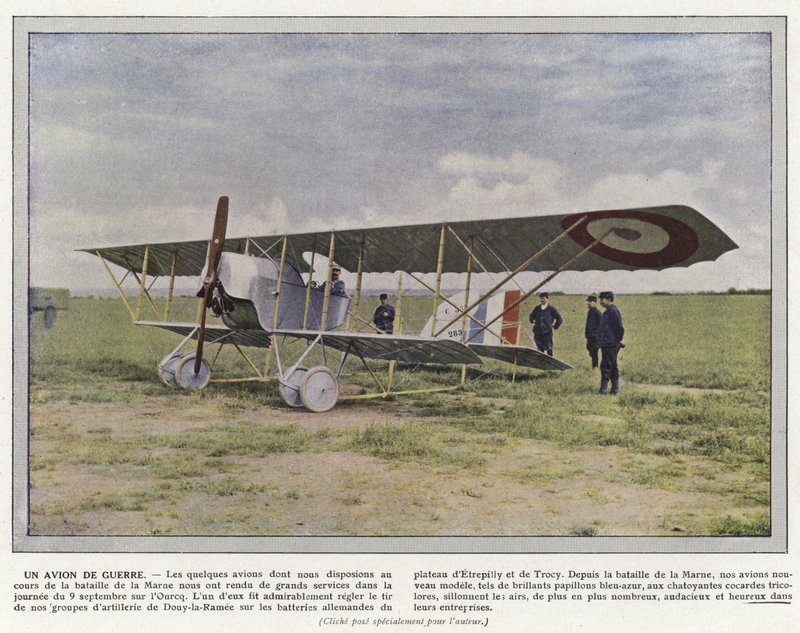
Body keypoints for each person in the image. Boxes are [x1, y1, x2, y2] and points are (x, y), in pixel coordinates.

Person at [596, 291, 625, 395]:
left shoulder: (613, 311)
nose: (600, 301)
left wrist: (617, 341)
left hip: (610, 344)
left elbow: (619, 328)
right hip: (607, 344)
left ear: (608, 300)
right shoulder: (609, 311)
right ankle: (615, 390)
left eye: (602, 299)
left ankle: (602, 390)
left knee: (606, 366)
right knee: (612, 367)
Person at [528, 292, 563, 356]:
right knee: (539, 351)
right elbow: (531, 316)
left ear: (547, 299)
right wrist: (532, 320)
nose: (542, 300)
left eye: (543, 298)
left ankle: (550, 362)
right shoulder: (537, 308)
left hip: (547, 333)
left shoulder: (551, 308)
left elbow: (559, 318)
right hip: (538, 333)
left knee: (549, 350)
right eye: (541, 298)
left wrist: (555, 326)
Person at [584, 295, 602, 369]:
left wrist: (597, 335)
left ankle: (595, 367)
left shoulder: (597, 313)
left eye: (590, 301)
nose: (588, 303)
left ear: (595, 303)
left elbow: (602, 325)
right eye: (588, 301)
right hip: (589, 337)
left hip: (595, 337)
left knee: (594, 352)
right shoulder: (590, 312)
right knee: (589, 348)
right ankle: (595, 366)